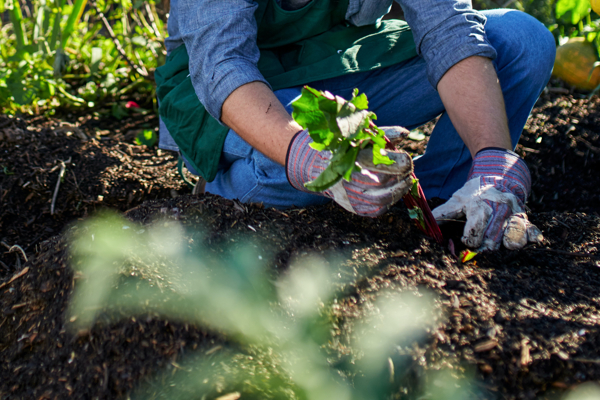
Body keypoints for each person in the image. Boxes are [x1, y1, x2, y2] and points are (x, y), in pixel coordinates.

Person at [155, 0, 556, 251]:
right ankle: (223, 189)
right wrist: (306, 158)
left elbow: (448, 29)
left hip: (339, 61)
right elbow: (221, 63)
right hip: (228, 91)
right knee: (321, 157)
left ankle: (439, 210)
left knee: (519, 41)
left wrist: (492, 157)